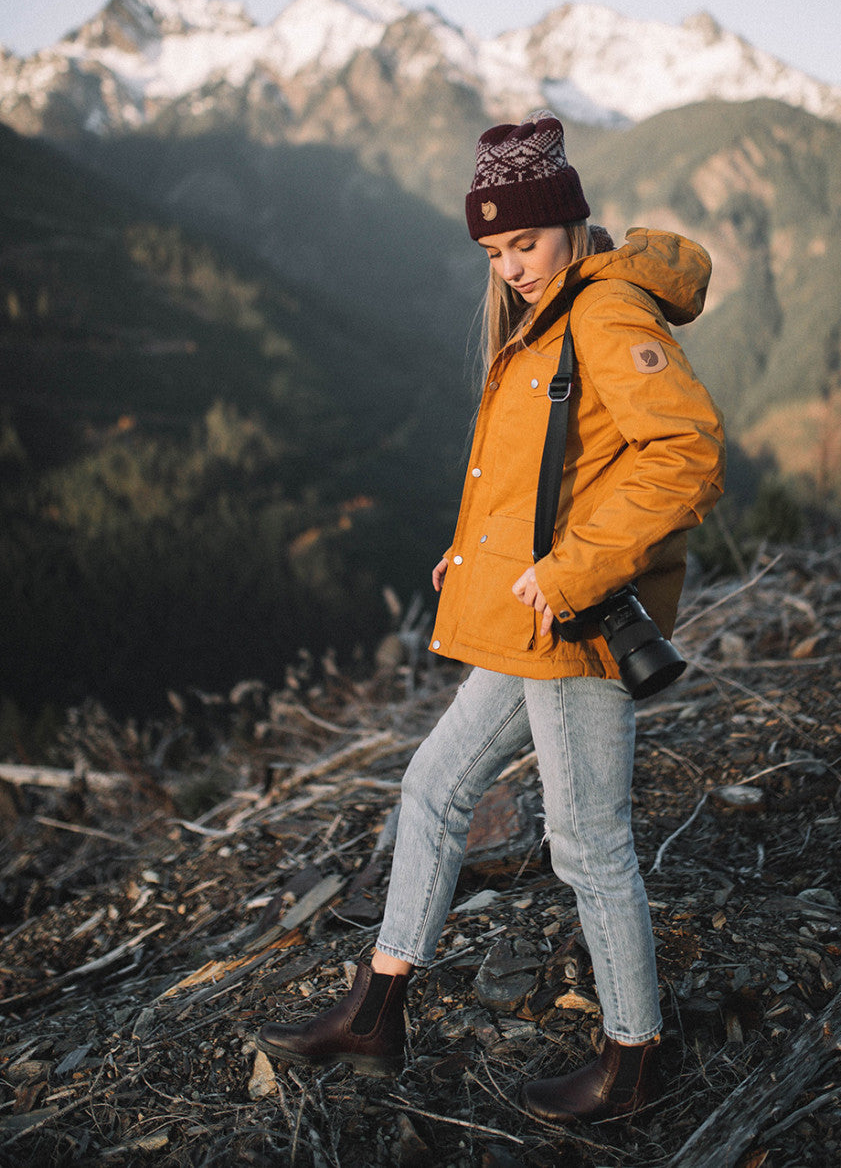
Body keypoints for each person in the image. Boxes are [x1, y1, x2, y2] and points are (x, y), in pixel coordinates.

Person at [255, 113, 725, 1123]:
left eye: (526, 241)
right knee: (432, 785)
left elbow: (684, 452)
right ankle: (377, 1009)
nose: (511, 266)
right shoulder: (545, 315)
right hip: (531, 613)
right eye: (494, 250)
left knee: (587, 840)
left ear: (569, 224)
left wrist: (572, 572)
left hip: (579, 620)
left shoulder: (603, 312)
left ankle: (633, 1060)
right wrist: (472, 553)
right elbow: (547, 466)